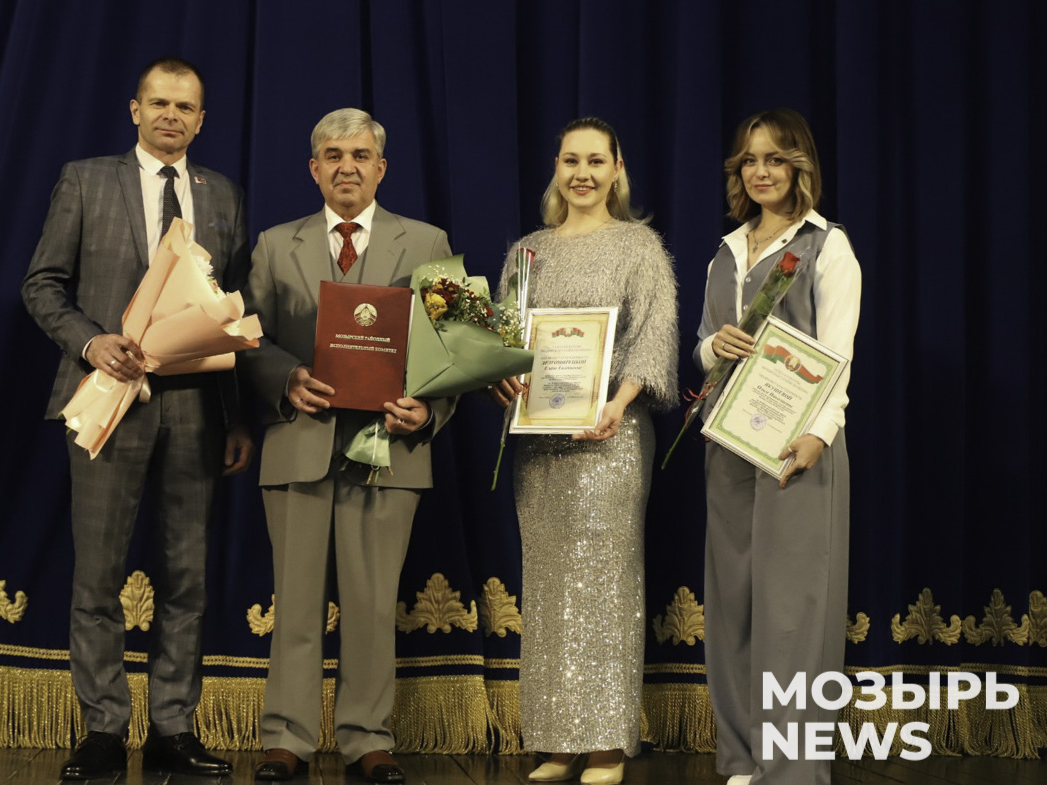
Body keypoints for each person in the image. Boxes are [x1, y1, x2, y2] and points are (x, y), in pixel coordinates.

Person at [22, 57, 252, 780]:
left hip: (196, 409)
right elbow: (41, 285)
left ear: (201, 120)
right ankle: (103, 729)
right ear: (135, 110)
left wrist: (237, 417)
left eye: (184, 107)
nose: (170, 116)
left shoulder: (222, 195)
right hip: (108, 398)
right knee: (98, 575)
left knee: (188, 576)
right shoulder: (85, 180)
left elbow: (234, 314)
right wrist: (91, 342)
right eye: (159, 103)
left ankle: (173, 730)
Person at [241, 108, 454, 784]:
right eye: (332, 155)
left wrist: (429, 409)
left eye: (360, 155)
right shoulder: (276, 244)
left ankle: (368, 737)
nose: (347, 167)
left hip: (390, 449)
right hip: (298, 443)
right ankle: (287, 736)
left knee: (371, 604)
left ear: (381, 168)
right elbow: (246, 339)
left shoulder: (429, 241)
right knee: (295, 604)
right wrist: (284, 377)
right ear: (314, 169)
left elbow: (459, 347)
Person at [490, 117, 679, 785]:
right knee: (549, 589)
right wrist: (501, 377)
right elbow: (505, 341)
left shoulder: (639, 246)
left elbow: (655, 337)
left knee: (605, 584)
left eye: (596, 161)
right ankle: (558, 739)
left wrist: (618, 403)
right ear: (556, 167)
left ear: (616, 169)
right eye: (571, 160)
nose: (583, 173)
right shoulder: (527, 254)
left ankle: (605, 744)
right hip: (540, 445)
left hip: (611, 441)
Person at [696, 108, 861, 785]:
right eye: (749, 160)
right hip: (730, 443)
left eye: (774, 159)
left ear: (799, 166)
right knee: (734, 600)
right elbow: (703, 345)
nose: (760, 171)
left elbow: (838, 353)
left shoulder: (828, 245)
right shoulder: (726, 250)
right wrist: (714, 345)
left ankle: (791, 768)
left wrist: (821, 431)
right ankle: (743, 757)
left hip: (798, 444)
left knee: (793, 609)